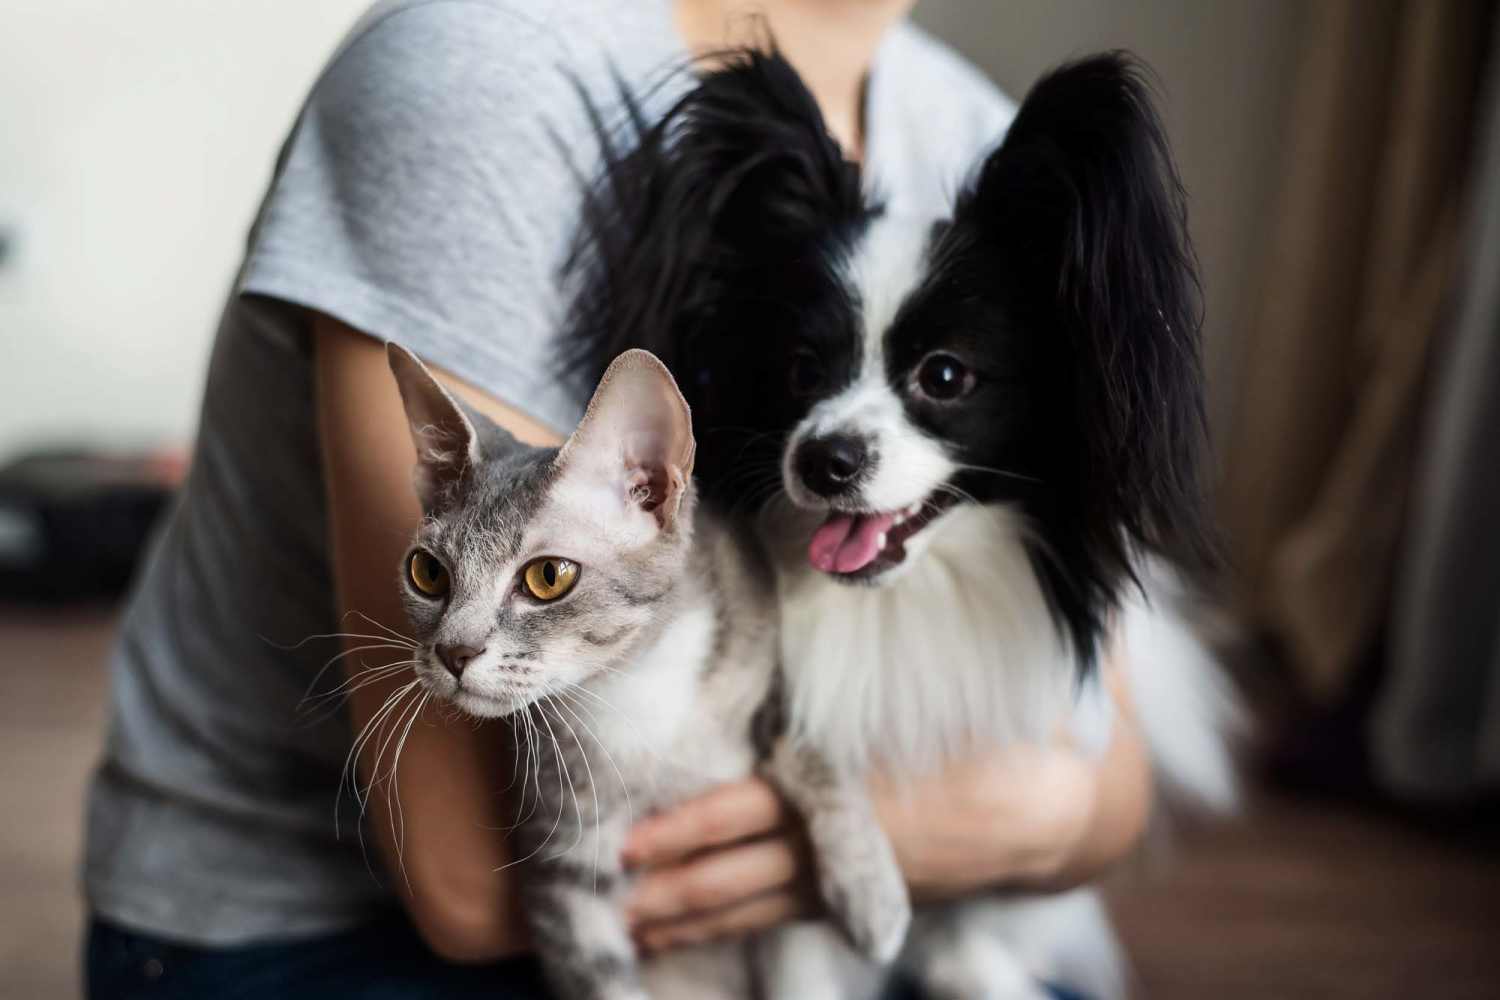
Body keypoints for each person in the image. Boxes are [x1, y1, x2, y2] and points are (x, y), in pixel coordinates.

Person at [83, 1, 1153, 996]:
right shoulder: (484, 74)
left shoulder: (968, 122)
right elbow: (474, 889)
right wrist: (991, 818)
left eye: (947, 381)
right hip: (313, 923)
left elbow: (1107, 789)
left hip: (781, 889)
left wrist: (1040, 813)